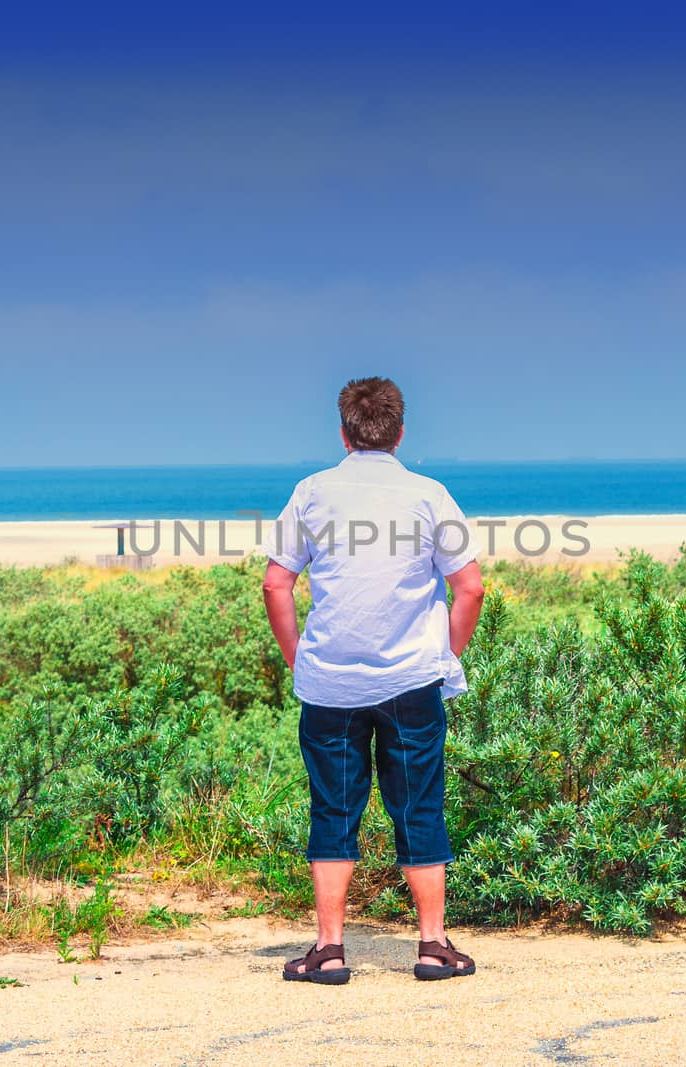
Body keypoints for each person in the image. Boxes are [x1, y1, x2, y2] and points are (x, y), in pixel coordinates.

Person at [262, 376, 486, 985]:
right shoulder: (428, 495)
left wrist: (296, 658)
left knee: (334, 808)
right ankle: (433, 947)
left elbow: (275, 583)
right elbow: (470, 587)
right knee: (418, 806)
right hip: (413, 682)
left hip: (329, 685)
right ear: (399, 432)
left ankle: (330, 951)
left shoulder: (312, 493)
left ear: (344, 432)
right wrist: (444, 657)